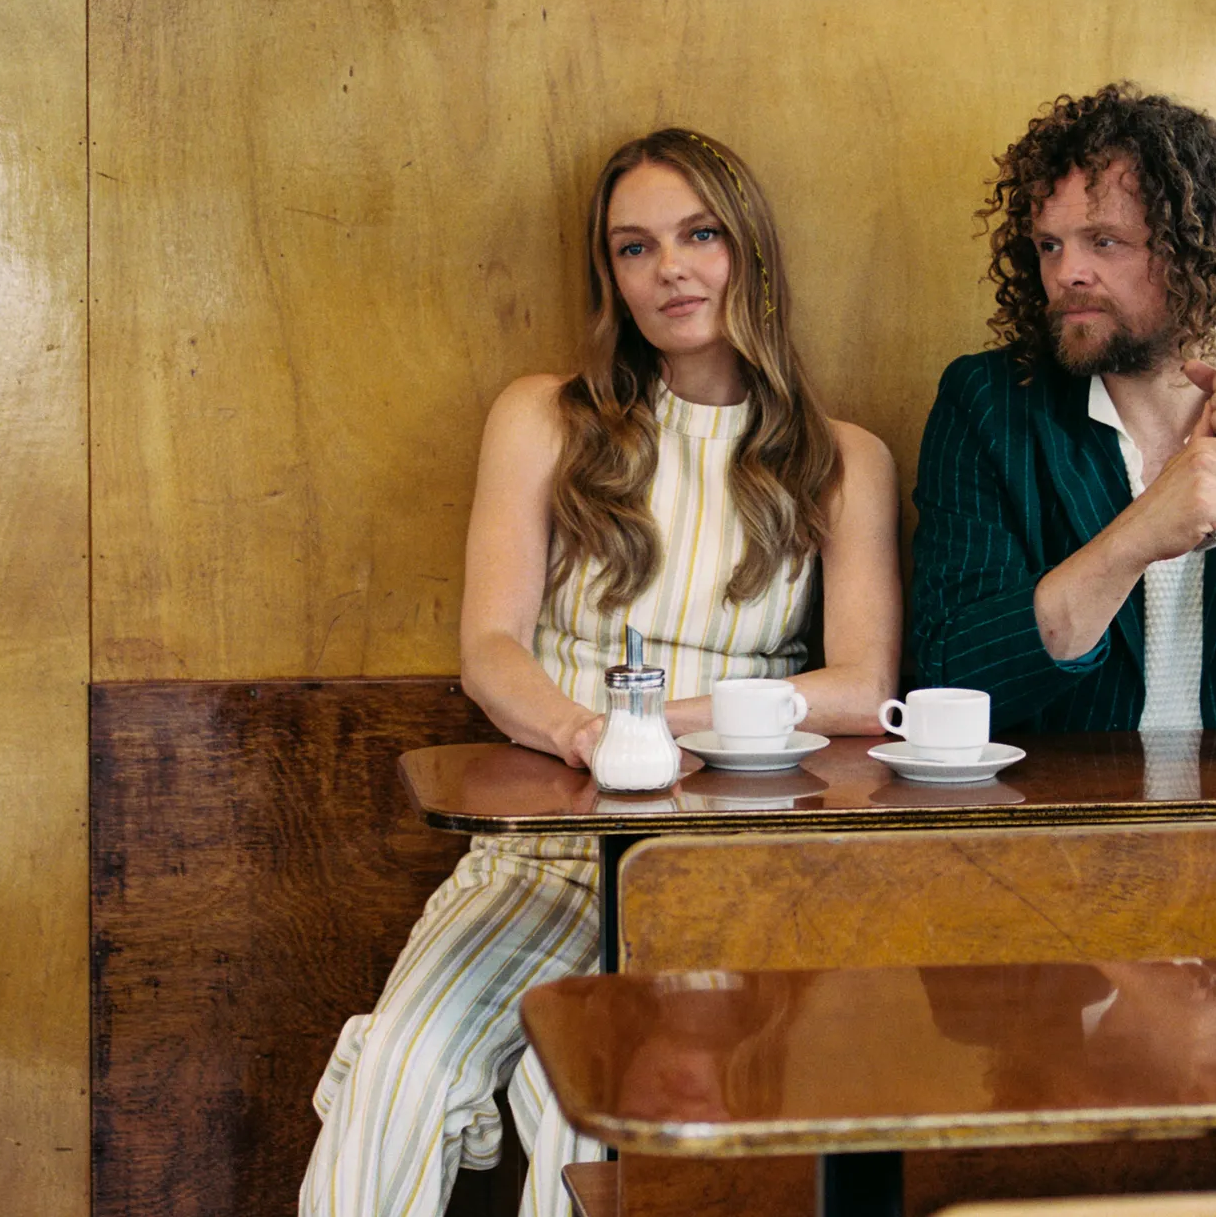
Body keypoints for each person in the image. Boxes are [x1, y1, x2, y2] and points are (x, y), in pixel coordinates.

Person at [300, 128, 901, 1217]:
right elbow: (490, 650)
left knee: (580, 1103)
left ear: (750, 249)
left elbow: (863, 687)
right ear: (610, 276)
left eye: (699, 235)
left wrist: (660, 728)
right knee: (396, 1067)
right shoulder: (545, 417)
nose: (669, 269)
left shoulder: (843, 458)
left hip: (723, 860)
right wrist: (586, 737)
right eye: (635, 247)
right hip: (546, 841)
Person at [911, 83, 1216, 734]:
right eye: (1050, 245)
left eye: (1104, 241)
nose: (1067, 273)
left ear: (1195, 248)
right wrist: (1138, 536)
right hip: (1060, 797)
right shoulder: (988, 404)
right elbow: (950, 680)